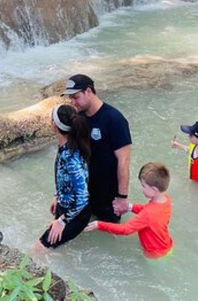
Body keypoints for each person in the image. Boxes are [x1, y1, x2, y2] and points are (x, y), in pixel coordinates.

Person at [64, 74, 131, 222]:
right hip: (84, 193)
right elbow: (72, 154)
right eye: (71, 99)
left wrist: (122, 198)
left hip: (108, 196)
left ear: (88, 91)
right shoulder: (79, 118)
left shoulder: (114, 119)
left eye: (76, 97)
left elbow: (124, 161)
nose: (73, 102)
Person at [84, 162, 173, 259]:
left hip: (155, 254)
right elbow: (148, 210)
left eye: (143, 186)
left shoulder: (148, 214)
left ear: (154, 190)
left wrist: (99, 225)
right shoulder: (166, 200)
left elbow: (125, 229)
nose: (141, 188)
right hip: (167, 245)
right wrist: (129, 207)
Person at [36, 105, 91, 250]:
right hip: (67, 208)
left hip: (75, 214)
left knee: (38, 248)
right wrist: (57, 196)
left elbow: (83, 197)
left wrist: (62, 221)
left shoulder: (70, 157)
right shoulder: (67, 147)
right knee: (58, 249)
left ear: (54, 125)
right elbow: (65, 178)